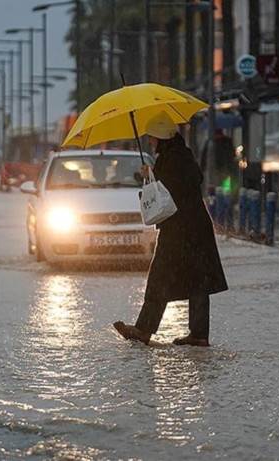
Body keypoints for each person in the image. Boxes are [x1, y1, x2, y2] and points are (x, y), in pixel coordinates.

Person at [113, 112, 228, 347]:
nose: (150, 142)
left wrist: (152, 175)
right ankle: (198, 335)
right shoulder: (181, 154)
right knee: (198, 281)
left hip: (180, 229)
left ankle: (144, 330)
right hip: (193, 228)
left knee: (160, 277)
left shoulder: (172, 158)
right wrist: (153, 173)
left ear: (161, 137)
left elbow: (171, 189)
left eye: (152, 138)